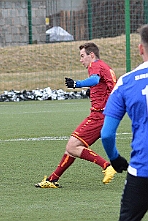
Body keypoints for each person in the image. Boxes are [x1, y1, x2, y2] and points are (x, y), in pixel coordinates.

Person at [35, 42, 117, 188]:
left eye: (82, 56)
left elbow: (95, 80)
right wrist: (91, 91)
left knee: (72, 146)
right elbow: (105, 86)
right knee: (72, 147)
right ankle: (52, 179)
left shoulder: (95, 65)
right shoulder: (105, 66)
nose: (81, 60)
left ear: (91, 55)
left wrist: (76, 84)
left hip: (100, 115)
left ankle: (107, 166)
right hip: (107, 114)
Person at [101, 24, 148, 220]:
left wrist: (114, 158)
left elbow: (107, 134)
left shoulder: (126, 82)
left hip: (142, 169)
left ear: (141, 49)